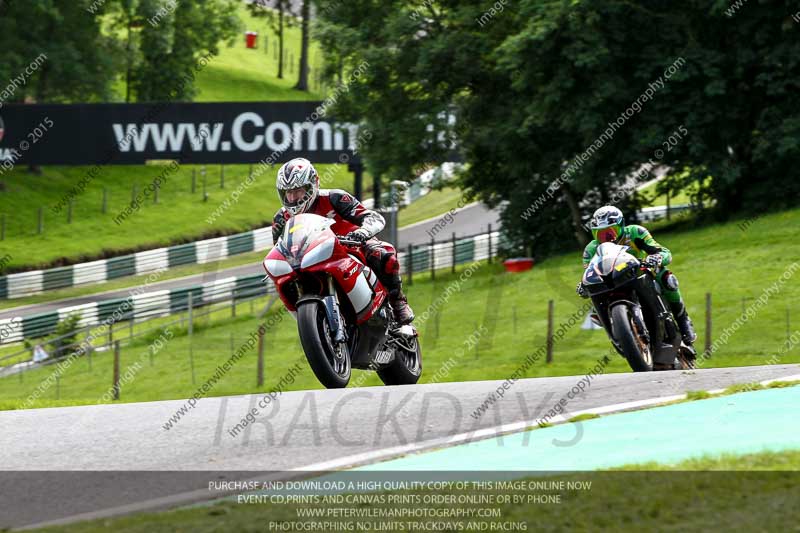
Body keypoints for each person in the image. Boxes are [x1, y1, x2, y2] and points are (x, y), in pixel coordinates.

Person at [271, 157, 415, 324]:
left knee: (382, 252)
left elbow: (371, 217)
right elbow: (279, 247)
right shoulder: (281, 218)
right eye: (288, 193)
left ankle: (398, 302)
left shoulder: (334, 197)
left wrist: (362, 232)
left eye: (298, 191)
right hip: (310, 259)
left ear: (312, 185)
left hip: (350, 247)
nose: (293, 197)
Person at [577, 205, 697, 344]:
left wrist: (656, 258)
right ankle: (619, 334)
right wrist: (583, 284)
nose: (607, 238)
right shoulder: (591, 249)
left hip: (640, 273)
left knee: (666, 278)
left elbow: (664, 252)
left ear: (621, 225)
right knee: (594, 306)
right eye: (601, 234)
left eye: (610, 232)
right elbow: (589, 271)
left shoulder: (635, 232)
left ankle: (683, 320)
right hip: (612, 280)